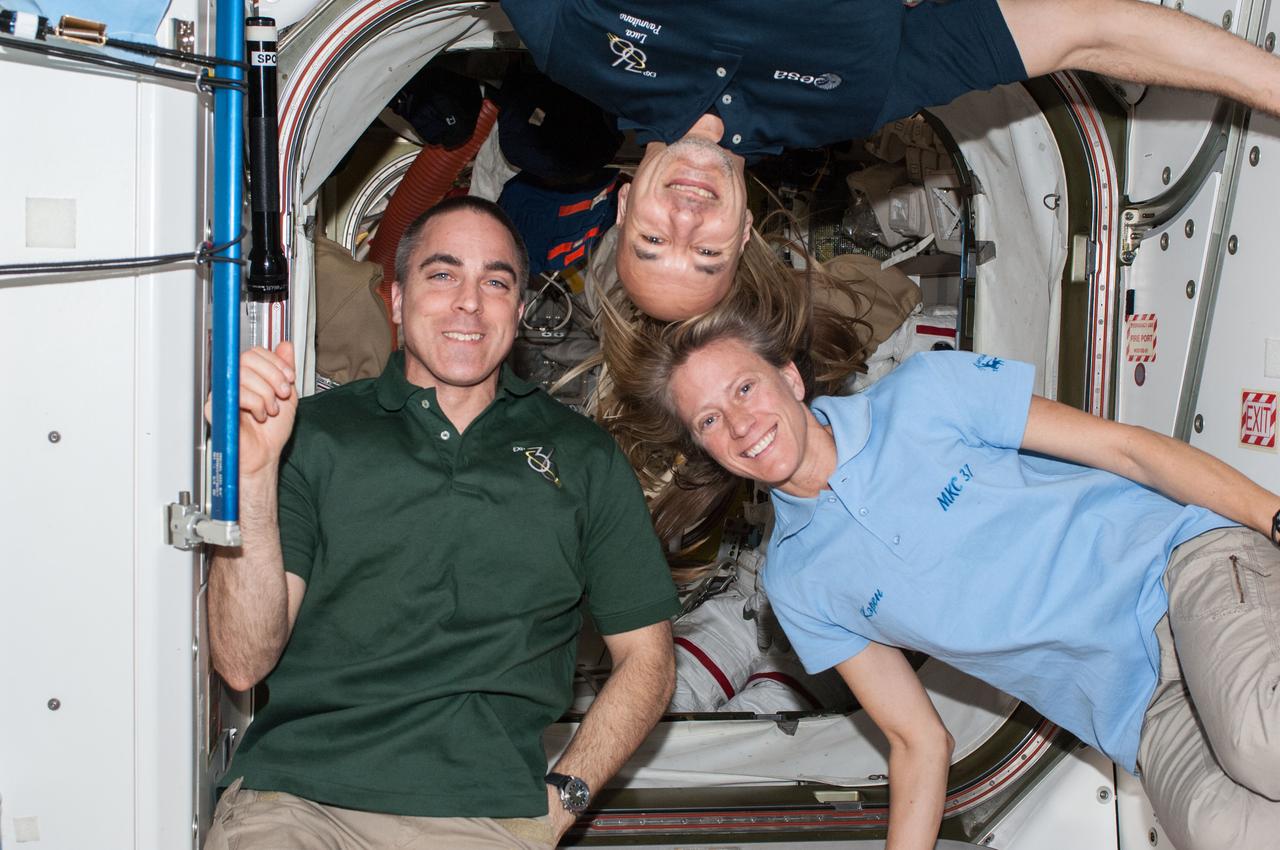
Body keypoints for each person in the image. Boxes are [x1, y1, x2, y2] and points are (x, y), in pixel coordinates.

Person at [605, 303, 1280, 850]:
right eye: (711, 420)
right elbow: (917, 739)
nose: (741, 424)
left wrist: (1273, 518)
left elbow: (1128, 450)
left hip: (1177, 574)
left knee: (1261, 738)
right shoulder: (797, 582)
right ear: (707, 449)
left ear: (790, 376)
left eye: (744, 387)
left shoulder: (927, 393)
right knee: (1226, 832)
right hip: (1132, 709)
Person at [205, 196, 679, 849]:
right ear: (396, 301)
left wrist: (564, 797)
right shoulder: (313, 434)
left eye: (495, 281)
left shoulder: (583, 457)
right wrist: (253, 480)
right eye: (442, 274)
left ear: (518, 311)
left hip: (483, 820)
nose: (469, 302)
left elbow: (647, 659)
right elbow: (241, 661)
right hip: (299, 806)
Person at [501, 0, 1280, 319]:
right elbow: (1081, 33)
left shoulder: (570, 44)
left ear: (626, 199)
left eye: (653, 237)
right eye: (703, 251)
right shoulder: (848, 104)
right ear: (741, 236)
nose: (687, 218)